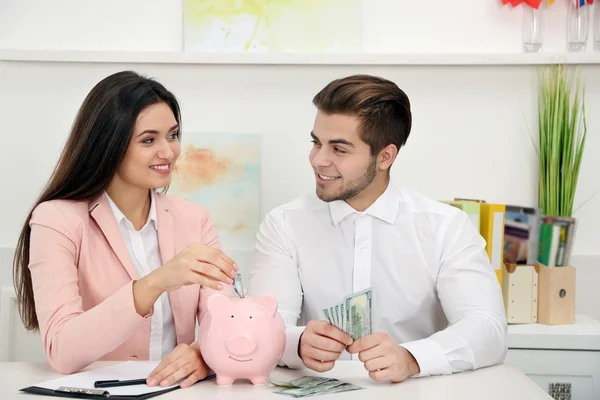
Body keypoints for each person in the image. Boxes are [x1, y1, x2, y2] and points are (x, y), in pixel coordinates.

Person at [248, 74, 507, 383]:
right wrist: (297, 343)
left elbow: (487, 326)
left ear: (385, 156)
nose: (318, 160)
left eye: (339, 150)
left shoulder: (445, 227)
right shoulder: (284, 225)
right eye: (317, 142)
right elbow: (259, 327)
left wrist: (413, 358)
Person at [12, 71, 238, 388]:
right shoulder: (55, 219)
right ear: (109, 145)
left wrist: (203, 353)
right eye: (149, 140)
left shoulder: (194, 218)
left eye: (172, 135)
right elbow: (62, 350)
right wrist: (157, 281)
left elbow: (228, 318)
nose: (168, 152)